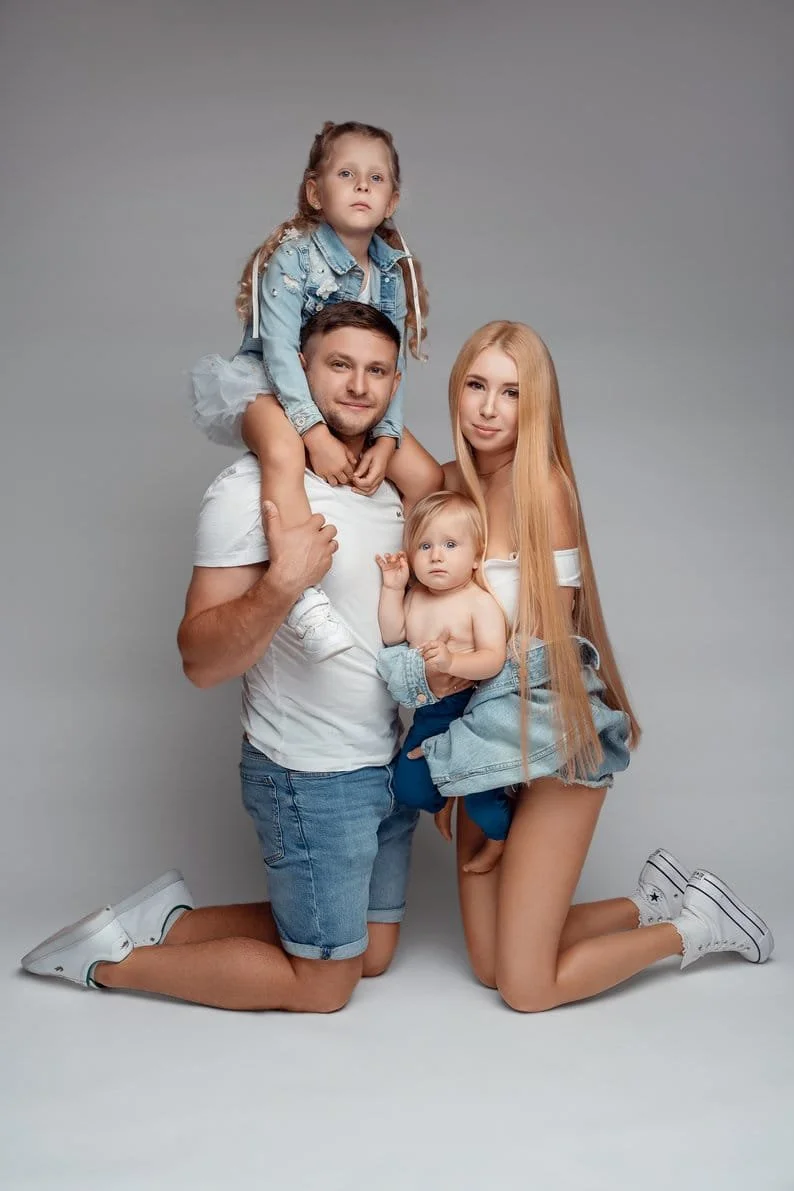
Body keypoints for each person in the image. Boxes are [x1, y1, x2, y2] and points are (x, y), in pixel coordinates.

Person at [21, 302, 445, 1013]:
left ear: (395, 382)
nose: (357, 385)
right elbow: (199, 658)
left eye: (376, 370)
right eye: (338, 364)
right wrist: (283, 583)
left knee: (371, 950)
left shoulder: (392, 485)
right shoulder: (247, 491)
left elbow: (447, 494)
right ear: (299, 371)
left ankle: (173, 923)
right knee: (327, 983)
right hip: (308, 771)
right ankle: (107, 963)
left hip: (385, 759)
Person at [413, 320, 774, 1011]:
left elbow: (543, 658)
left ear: (537, 405)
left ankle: (693, 925)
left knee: (524, 985)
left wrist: (474, 768)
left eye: (511, 392)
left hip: (554, 733)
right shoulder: (446, 487)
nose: (489, 407)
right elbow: (372, 435)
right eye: (476, 385)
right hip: (483, 733)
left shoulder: (545, 488)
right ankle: (649, 899)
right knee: (489, 965)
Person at [191, 120, 429, 663]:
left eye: (376, 178)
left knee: (425, 476)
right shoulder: (293, 256)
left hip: (347, 388)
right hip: (271, 385)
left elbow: (394, 365)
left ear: (392, 199)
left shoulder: (392, 273)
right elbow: (279, 351)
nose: (363, 186)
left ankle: (414, 588)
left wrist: (388, 438)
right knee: (282, 450)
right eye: (347, 174)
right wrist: (313, 433)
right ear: (316, 191)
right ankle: (302, 596)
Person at [375, 491, 511, 874]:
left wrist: (454, 660)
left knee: (482, 795)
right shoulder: (415, 596)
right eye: (425, 545)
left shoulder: (478, 602)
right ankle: (444, 796)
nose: (436, 555)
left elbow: (493, 659)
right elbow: (391, 634)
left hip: (471, 710)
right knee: (409, 788)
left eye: (451, 545)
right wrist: (391, 587)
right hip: (431, 711)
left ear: (475, 558)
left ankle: (498, 839)